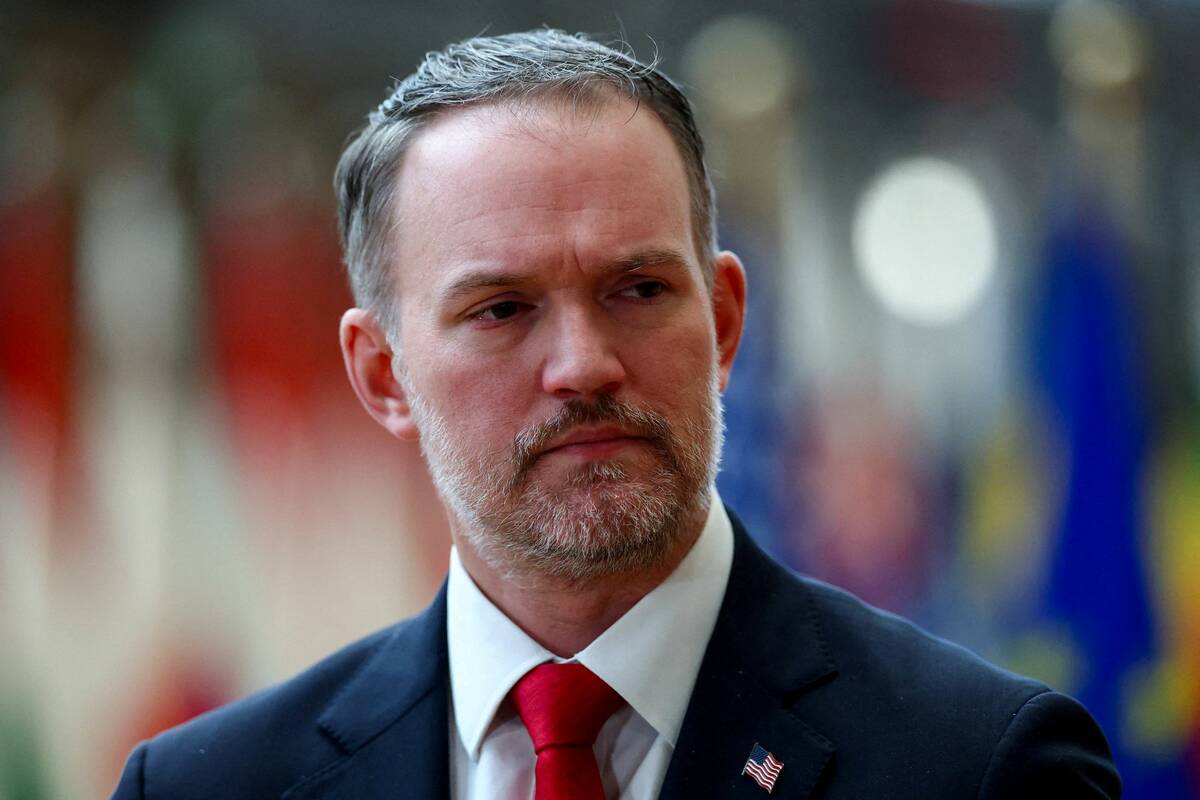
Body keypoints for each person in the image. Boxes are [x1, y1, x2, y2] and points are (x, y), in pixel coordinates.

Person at [112, 29, 1120, 799]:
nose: (584, 363)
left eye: (637, 290)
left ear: (725, 322)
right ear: (381, 373)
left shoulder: (984, 766)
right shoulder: (211, 783)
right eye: (502, 309)